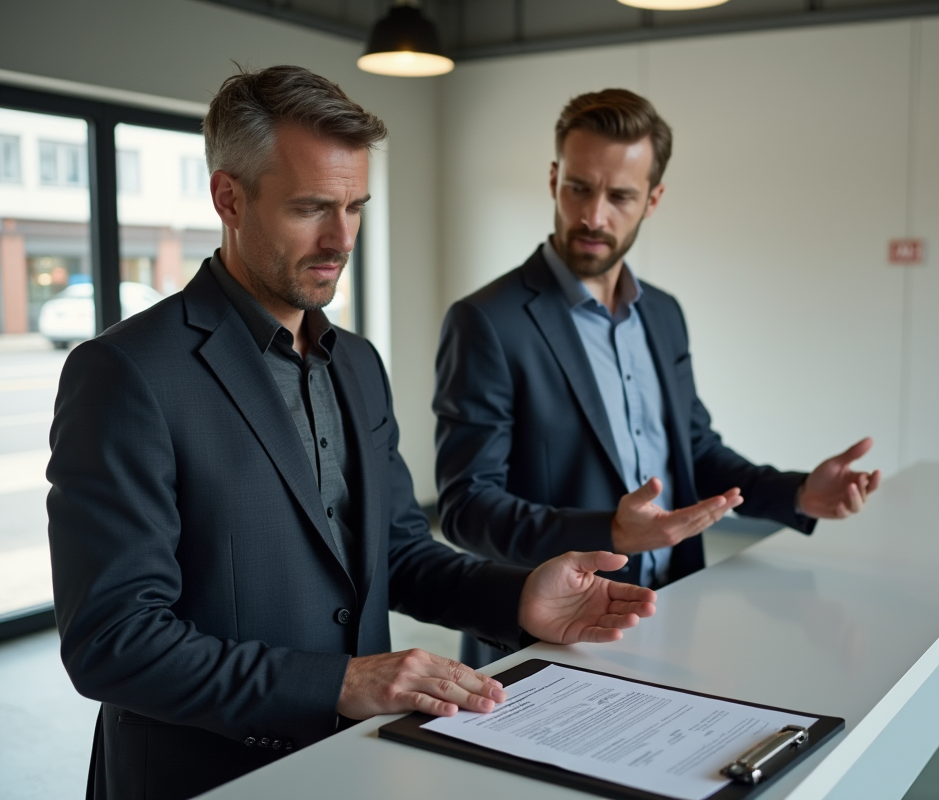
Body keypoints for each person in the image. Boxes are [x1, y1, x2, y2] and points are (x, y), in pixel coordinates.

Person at [46, 67, 655, 800]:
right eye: (311, 208)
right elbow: (113, 643)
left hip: (354, 767)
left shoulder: (358, 364)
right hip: (202, 780)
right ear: (228, 198)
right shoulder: (124, 372)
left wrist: (519, 597)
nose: (341, 239)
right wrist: (340, 681)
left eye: (355, 207)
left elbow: (397, 552)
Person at [434, 89, 881, 668]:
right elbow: (468, 509)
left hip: (673, 613)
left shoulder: (663, 314)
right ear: (553, 179)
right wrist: (611, 532)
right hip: (550, 635)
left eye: (620, 195)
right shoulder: (487, 322)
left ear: (653, 198)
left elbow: (694, 454)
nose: (594, 216)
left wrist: (795, 493)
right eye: (578, 188)